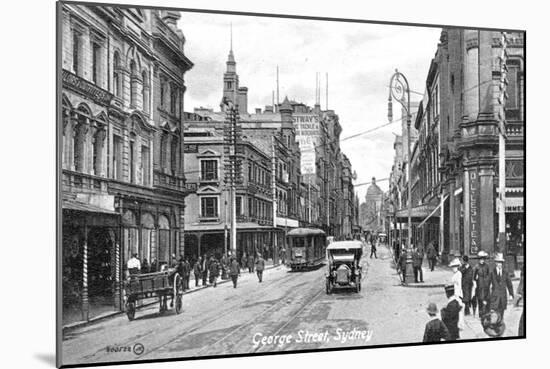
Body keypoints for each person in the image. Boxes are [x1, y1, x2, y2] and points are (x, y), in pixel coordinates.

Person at [488, 253, 514, 318]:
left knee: (501, 314)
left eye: (501, 263)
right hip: (495, 297)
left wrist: (511, 294)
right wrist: (486, 296)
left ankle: (500, 326)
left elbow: (509, 284)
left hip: (503, 297)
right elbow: (487, 284)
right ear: (496, 263)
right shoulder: (492, 273)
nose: (500, 264)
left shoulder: (505, 273)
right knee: (495, 315)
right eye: (498, 262)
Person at [473, 250, 492, 317]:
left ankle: (487, 312)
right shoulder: (476, 267)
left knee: (487, 298)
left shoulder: (487, 266)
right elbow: (474, 277)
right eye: (481, 259)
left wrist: (489, 282)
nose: (482, 260)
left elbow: (489, 275)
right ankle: (481, 314)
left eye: (483, 259)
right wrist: (475, 283)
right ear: (479, 259)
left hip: (486, 285)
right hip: (480, 285)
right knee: (480, 299)